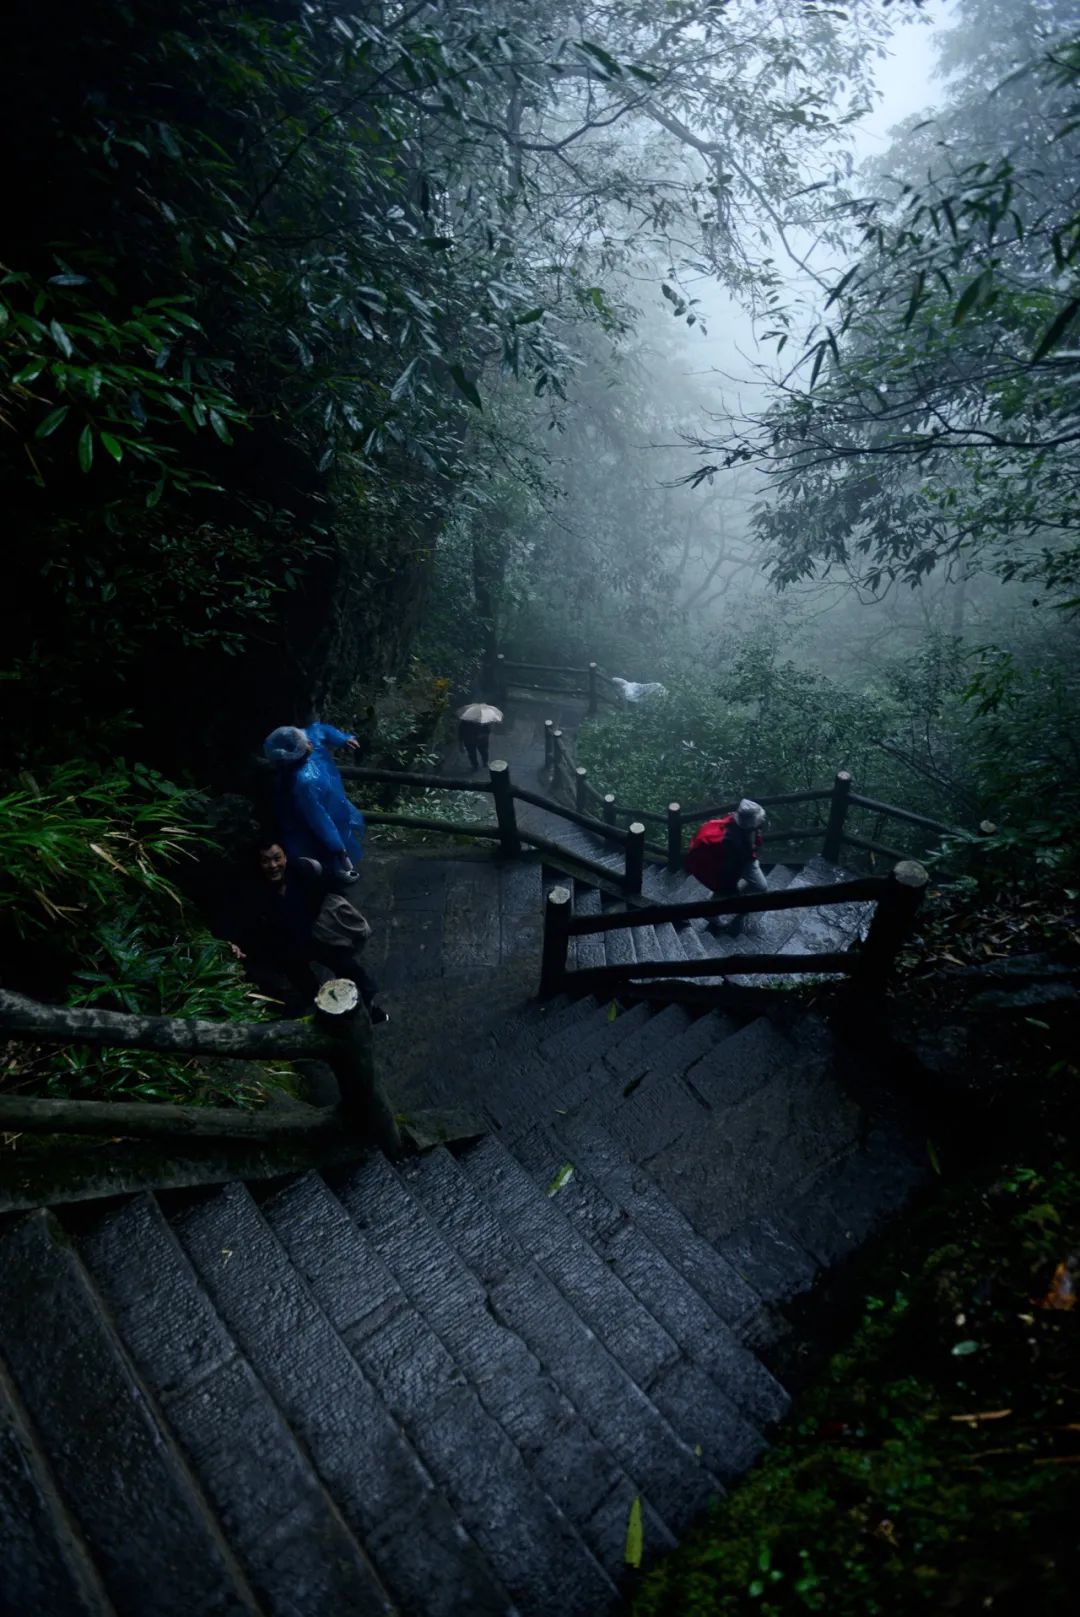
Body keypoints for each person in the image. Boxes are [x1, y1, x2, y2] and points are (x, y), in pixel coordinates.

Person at [218, 838, 387, 1021]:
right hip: (286, 949)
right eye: (265, 861)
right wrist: (232, 941)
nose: (273, 865)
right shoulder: (252, 889)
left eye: (277, 858)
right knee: (308, 988)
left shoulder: (303, 872)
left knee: (350, 969)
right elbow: (235, 917)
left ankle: (368, 1008)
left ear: (285, 857)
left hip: (316, 937)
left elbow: (331, 886)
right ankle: (324, 1016)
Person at [263, 723, 365, 885]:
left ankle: (337, 867)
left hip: (329, 801)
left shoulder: (304, 739)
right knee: (318, 842)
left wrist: (344, 739)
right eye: (306, 745)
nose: (310, 744)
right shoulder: (303, 781)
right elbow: (319, 820)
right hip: (314, 810)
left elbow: (322, 730)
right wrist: (338, 848)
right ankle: (334, 871)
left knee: (334, 832)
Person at [685, 798, 768, 935]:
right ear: (749, 822)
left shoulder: (742, 826)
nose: (761, 820)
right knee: (752, 887)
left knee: (730, 891)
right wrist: (731, 889)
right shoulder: (732, 840)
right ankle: (712, 912)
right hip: (737, 865)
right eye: (759, 818)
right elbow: (730, 868)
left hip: (745, 860)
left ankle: (722, 906)